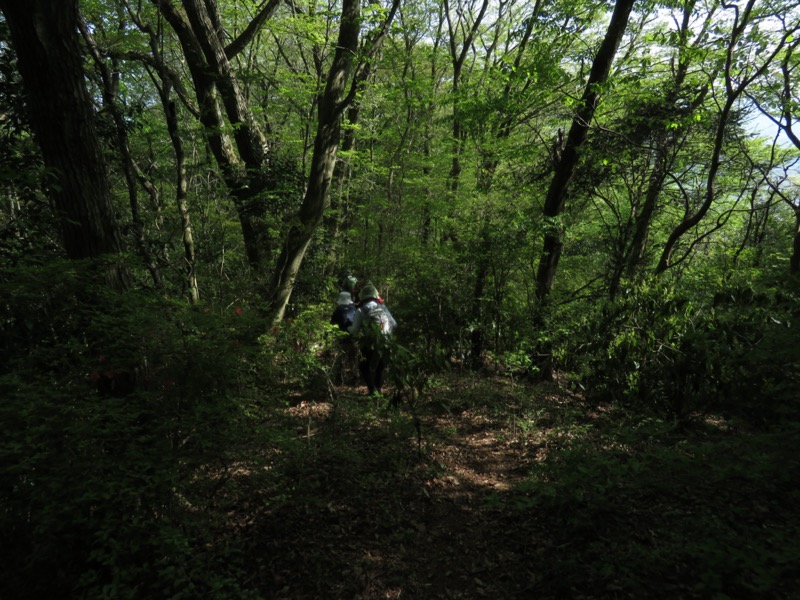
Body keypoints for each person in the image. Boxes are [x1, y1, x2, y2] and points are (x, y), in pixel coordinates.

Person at [348, 283, 397, 397]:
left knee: (364, 366)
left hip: (370, 342)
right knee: (380, 366)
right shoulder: (383, 307)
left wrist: (348, 328)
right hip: (385, 341)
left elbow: (354, 330)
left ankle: (372, 390)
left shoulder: (361, 310)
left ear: (363, 297)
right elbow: (394, 324)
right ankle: (378, 390)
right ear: (375, 295)